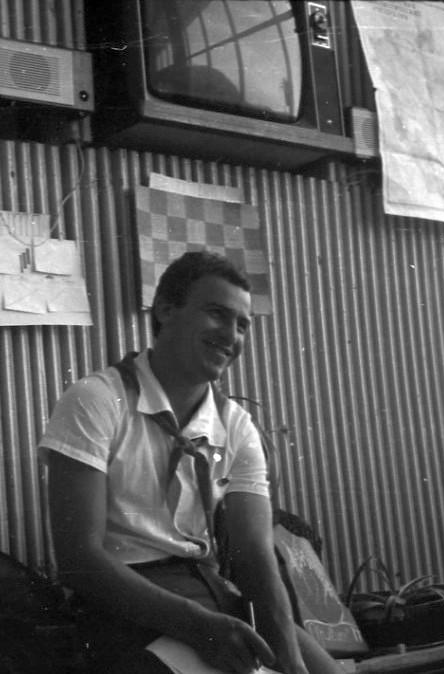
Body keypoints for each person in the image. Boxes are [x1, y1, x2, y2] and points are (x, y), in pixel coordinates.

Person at [39, 251, 345, 673]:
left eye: (242, 325)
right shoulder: (96, 401)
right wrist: (199, 627)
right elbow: (79, 561)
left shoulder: (236, 426)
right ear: (166, 310)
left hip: (209, 594)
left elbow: (255, 557)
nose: (231, 335)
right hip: (124, 605)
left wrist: (291, 660)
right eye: (217, 314)